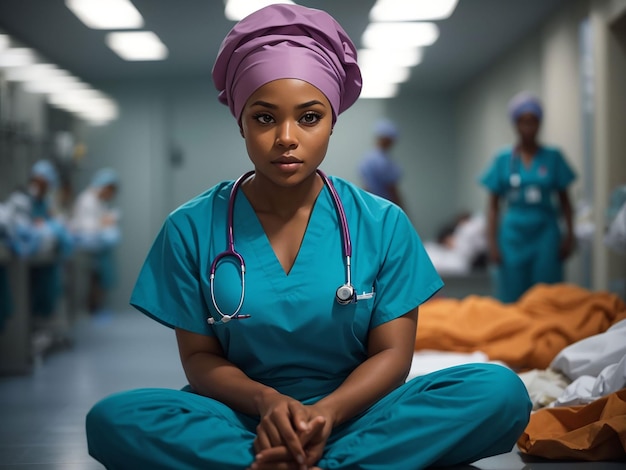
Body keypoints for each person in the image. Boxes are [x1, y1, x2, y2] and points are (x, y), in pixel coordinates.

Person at [86, 5, 531, 469]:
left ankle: (277, 463)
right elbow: (199, 358)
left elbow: (394, 356)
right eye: (264, 118)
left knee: (499, 391)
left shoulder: (383, 223)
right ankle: (336, 462)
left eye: (309, 117)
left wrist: (326, 413)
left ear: (333, 121)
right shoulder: (192, 227)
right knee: (115, 419)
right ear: (240, 121)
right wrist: (266, 402)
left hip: (358, 413)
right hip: (242, 417)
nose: (286, 137)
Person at [480, 92, 576, 303]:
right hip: (513, 233)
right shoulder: (502, 159)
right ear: (514, 124)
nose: (528, 127)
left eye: (533, 122)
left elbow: (565, 202)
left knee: (547, 292)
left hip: (546, 232)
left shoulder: (553, 156)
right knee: (512, 290)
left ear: (540, 123)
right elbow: (493, 206)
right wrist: (492, 243)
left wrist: (569, 235)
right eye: (523, 122)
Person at [70, 168, 121, 313]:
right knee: (88, 281)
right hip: (85, 248)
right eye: (110, 191)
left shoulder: (99, 202)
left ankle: (97, 308)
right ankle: (89, 309)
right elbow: (83, 226)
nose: (110, 195)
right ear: (104, 187)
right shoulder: (86, 200)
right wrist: (103, 223)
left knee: (99, 278)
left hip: (96, 249)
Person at [358, 118, 404, 207]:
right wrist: (402, 210)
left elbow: (366, 187)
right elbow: (392, 189)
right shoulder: (383, 161)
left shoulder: (367, 158)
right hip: (387, 206)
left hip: (372, 205)